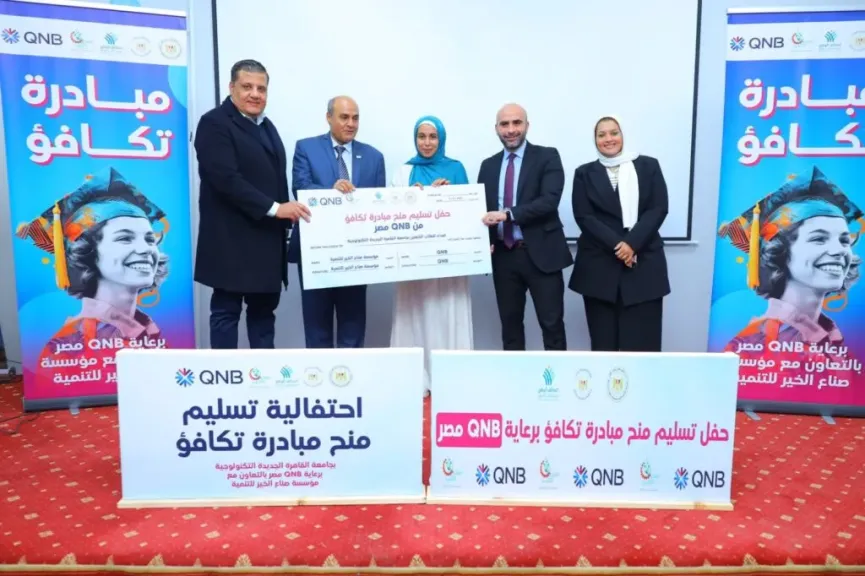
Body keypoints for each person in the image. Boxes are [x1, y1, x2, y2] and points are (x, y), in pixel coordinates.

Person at [194, 59, 309, 350]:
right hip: (230, 243)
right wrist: (276, 208)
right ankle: (225, 375)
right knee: (226, 314)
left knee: (263, 318)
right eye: (247, 87)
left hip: (266, 242)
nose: (255, 94)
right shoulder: (214, 123)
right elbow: (226, 179)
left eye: (261, 88)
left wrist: (286, 213)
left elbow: (274, 179)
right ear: (231, 87)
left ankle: (263, 374)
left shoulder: (267, 126)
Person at [16, 167, 169, 381]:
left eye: (150, 239)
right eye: (125, 238)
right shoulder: (65, 347)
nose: (145, 249)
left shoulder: (149, 330)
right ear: (88, 252)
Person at [721, 166, 862, 352]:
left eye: (844, 241)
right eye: (819, 239)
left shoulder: (833, 341)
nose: (839, 251)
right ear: (780, 252)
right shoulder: (754, 345)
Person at [289, 96, 386, 348]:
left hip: (356, 254)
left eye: (355, 118)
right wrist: (331, 192)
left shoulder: (374, 157)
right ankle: (318, 374)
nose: (350, 123)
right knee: (316, 328)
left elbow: (380, 204)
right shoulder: (306, 148)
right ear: (329, 117)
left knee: (353, 328)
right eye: (344, 117)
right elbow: (300, 187)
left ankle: (351, 372)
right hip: (316, 253)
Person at [568, 115, 670, 352]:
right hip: (599, 269)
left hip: (643, 266)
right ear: (595, 140)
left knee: (643, 346)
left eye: (614, 133)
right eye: (601, 134)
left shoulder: (648, 166)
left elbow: (658, 208)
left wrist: (632, 244)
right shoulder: (584, 173)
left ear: (622, 135)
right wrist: (619, 246)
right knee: (604, 347)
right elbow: (584, 216)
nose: (608, 139)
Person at [390, 115, 473, 395]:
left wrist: (448, 197)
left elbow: (469, 214)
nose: (427, 143)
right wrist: (409, 197)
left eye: (433, 137)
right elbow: (389, 216)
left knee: (447, 310)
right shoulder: (403, 172)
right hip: (414, 262)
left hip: (449, 263)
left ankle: (449, 378)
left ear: (441, 139)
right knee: (415, 310)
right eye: (421, 136)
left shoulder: (456, 169)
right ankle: (417, 379)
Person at [479, 103, 572, 351]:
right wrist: (481, 242)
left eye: (516, 123)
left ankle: (556, 377)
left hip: (542, 255)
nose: (511, 130)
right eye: (504, 124)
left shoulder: (547, 156)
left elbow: (549, 201)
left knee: (552, 326)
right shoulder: (488, 165)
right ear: (496, 129)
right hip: (504, 257)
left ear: (527, 125)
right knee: (510, 329)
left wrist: (508, 215)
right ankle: (514, 376)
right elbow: (482, 209)